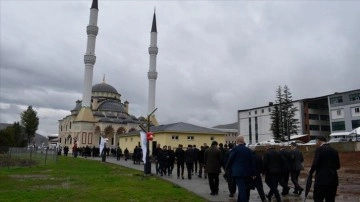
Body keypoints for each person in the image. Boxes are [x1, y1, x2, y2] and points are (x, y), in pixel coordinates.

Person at [309, 136, 340, 202]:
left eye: (316, 141)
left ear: (319, 141)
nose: (316, 143)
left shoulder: (319, 149)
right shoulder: (334, 150)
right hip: (333, 180)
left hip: (321, 180)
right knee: (330, 200)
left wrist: (311, 172)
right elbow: (338, 166)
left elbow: (315, 163)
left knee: (318, 198)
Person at [225, 136, 254, 202]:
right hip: (247, 172)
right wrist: (253, 172)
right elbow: (252, 162)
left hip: (237, 172)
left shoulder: (235, 149)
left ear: (237, 141)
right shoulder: (248, 150)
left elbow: (230, 159)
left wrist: (227, 168)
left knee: (241, 189)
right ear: (243, 141)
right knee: (245, 188)